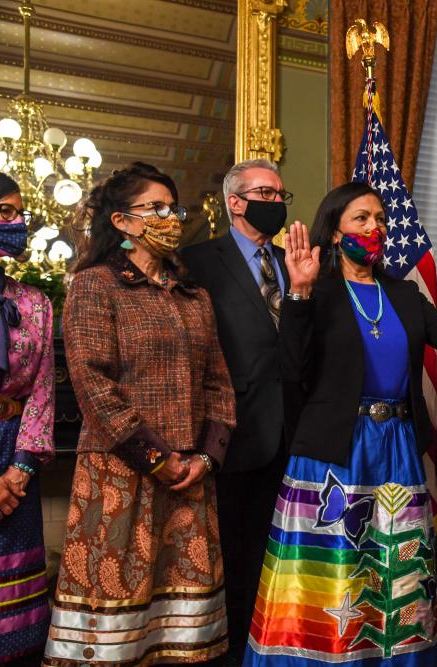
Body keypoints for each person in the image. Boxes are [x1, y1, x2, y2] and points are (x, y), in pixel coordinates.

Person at [244, 181, 437, 666]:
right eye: (362, 219)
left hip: (397, 446)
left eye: (381, 219)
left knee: (397, 573)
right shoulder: (316, 291)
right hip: (333, 452)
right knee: (335, 575)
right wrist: (299, 294)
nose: (376, 228)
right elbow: (293, 369)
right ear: (336, 228)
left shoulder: (404, 294)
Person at [44, 162, 236, 666]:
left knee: (182, 632)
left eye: (173, 208)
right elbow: (91, 383)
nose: (170, 217)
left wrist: (205, 458)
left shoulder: (195, 297)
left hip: (189, 478)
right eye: (156, 208)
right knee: (116, 625)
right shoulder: (94, 285)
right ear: (123, 222)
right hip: (119, 476)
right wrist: (155, 457)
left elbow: (219, 383)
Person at [180, 158, 291, 664]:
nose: (276, 203)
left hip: (296, 430)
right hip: (233, 432)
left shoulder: (295, 262)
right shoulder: (197, 260)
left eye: (280, 195)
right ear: (235, 201)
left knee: (285, 560)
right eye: (264, 194)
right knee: (235, 558)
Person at [0, 173, 54, 663]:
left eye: (18, 213)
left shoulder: (34, 302)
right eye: (7, 212)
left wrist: (19, 470)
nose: (18, 223)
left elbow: (42, 392)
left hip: (15, 451)